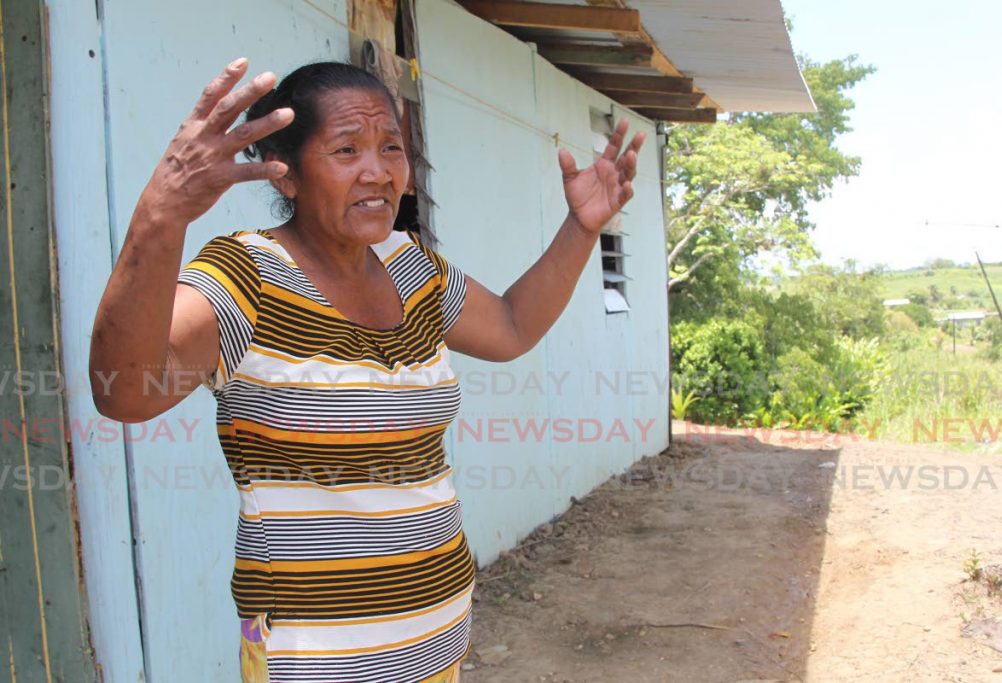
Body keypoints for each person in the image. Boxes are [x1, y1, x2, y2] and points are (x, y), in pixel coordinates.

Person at [90, 57, 644, 683]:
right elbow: (127, 391)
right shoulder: (248, 275)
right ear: (288, 173)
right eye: (346, 149)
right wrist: (160, 216)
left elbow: (513, 326)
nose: (377, 171)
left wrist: (580, 227)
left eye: (391, 148)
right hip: (312, 655)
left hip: (437, 638)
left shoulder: (412, 269)